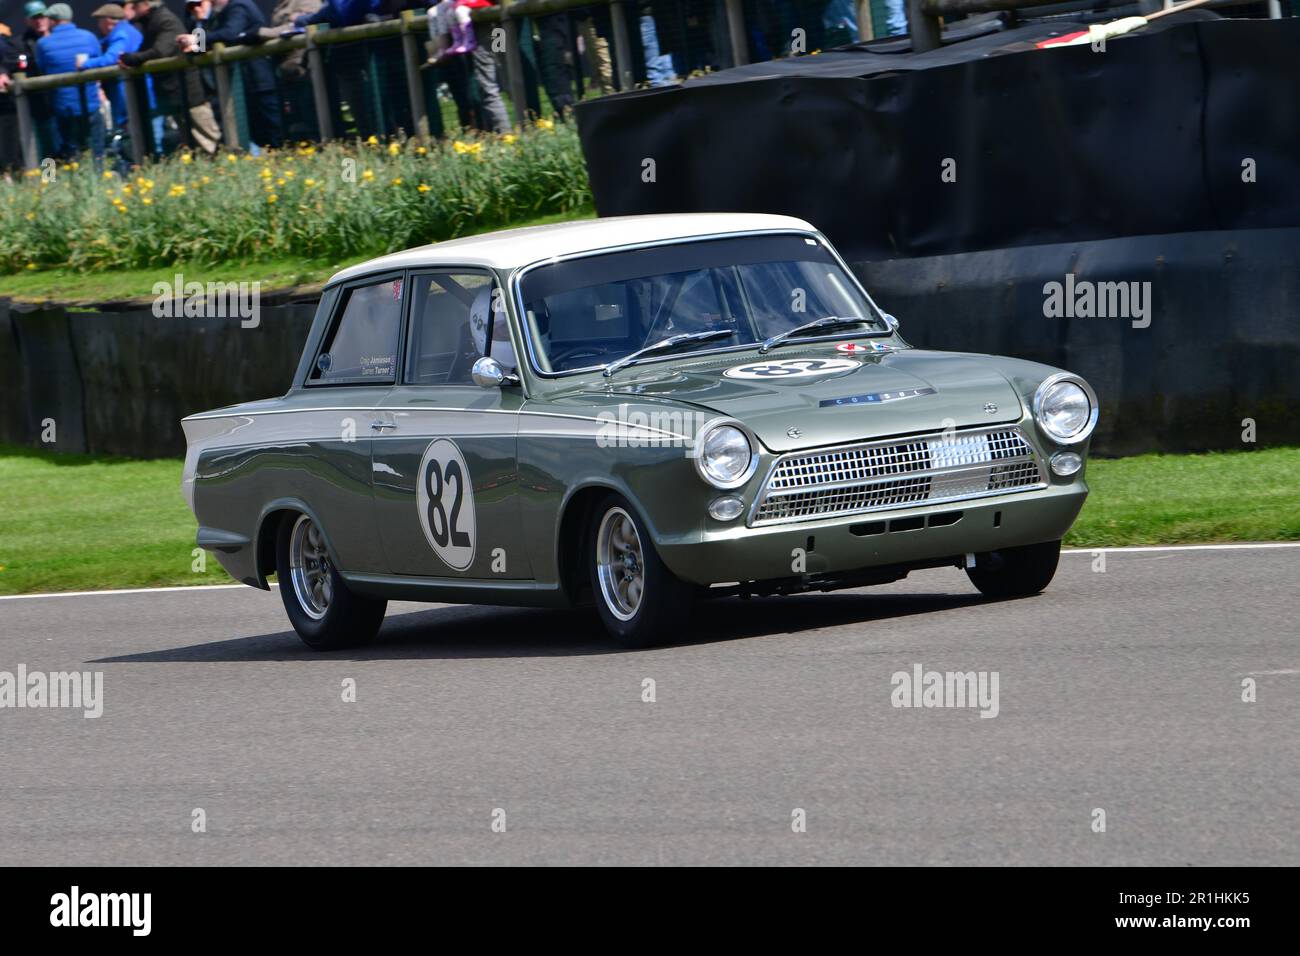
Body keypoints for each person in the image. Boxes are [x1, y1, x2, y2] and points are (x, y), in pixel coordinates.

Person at [118, 0, 221, 154]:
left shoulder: (164, 19)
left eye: (135, 5)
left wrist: (130, 59)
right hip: (176, 94)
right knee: (192, 146)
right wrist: (129, 59)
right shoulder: (151, 22)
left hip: (189, 93)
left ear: (146, 4)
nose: (132, 9)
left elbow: (160, 51)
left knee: (208, 141)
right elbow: (146, 50)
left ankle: (224, 169)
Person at [180, 0, 282, 147]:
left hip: (259, 80)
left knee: (273, 129)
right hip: (243, 83)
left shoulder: (238, 5)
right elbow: (203, 47)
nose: (196, 8)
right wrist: (198, 26)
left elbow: (230, 33)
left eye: (199, 3)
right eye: (191, 6)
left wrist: (197, 38)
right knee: (257, 134)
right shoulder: (217, 14)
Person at [34, 4, 106, 161]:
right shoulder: (89, 37)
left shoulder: (43, 44)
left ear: (52, 21)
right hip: (90, 103)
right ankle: (99, 180)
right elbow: (99, 62)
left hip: (60, 107)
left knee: (56, 150)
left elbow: (42, 68)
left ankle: (51, 181)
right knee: (96, 151)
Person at [21, 1, 61, 158]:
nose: (39, 21)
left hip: (65, 100)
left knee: (73, 142)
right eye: (34, 18)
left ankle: (76, 178)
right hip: (42, 104)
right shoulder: (22, 43)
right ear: (27, 21)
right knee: (47, 146)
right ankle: (49, 180)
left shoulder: (60, 37)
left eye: (42, 17)